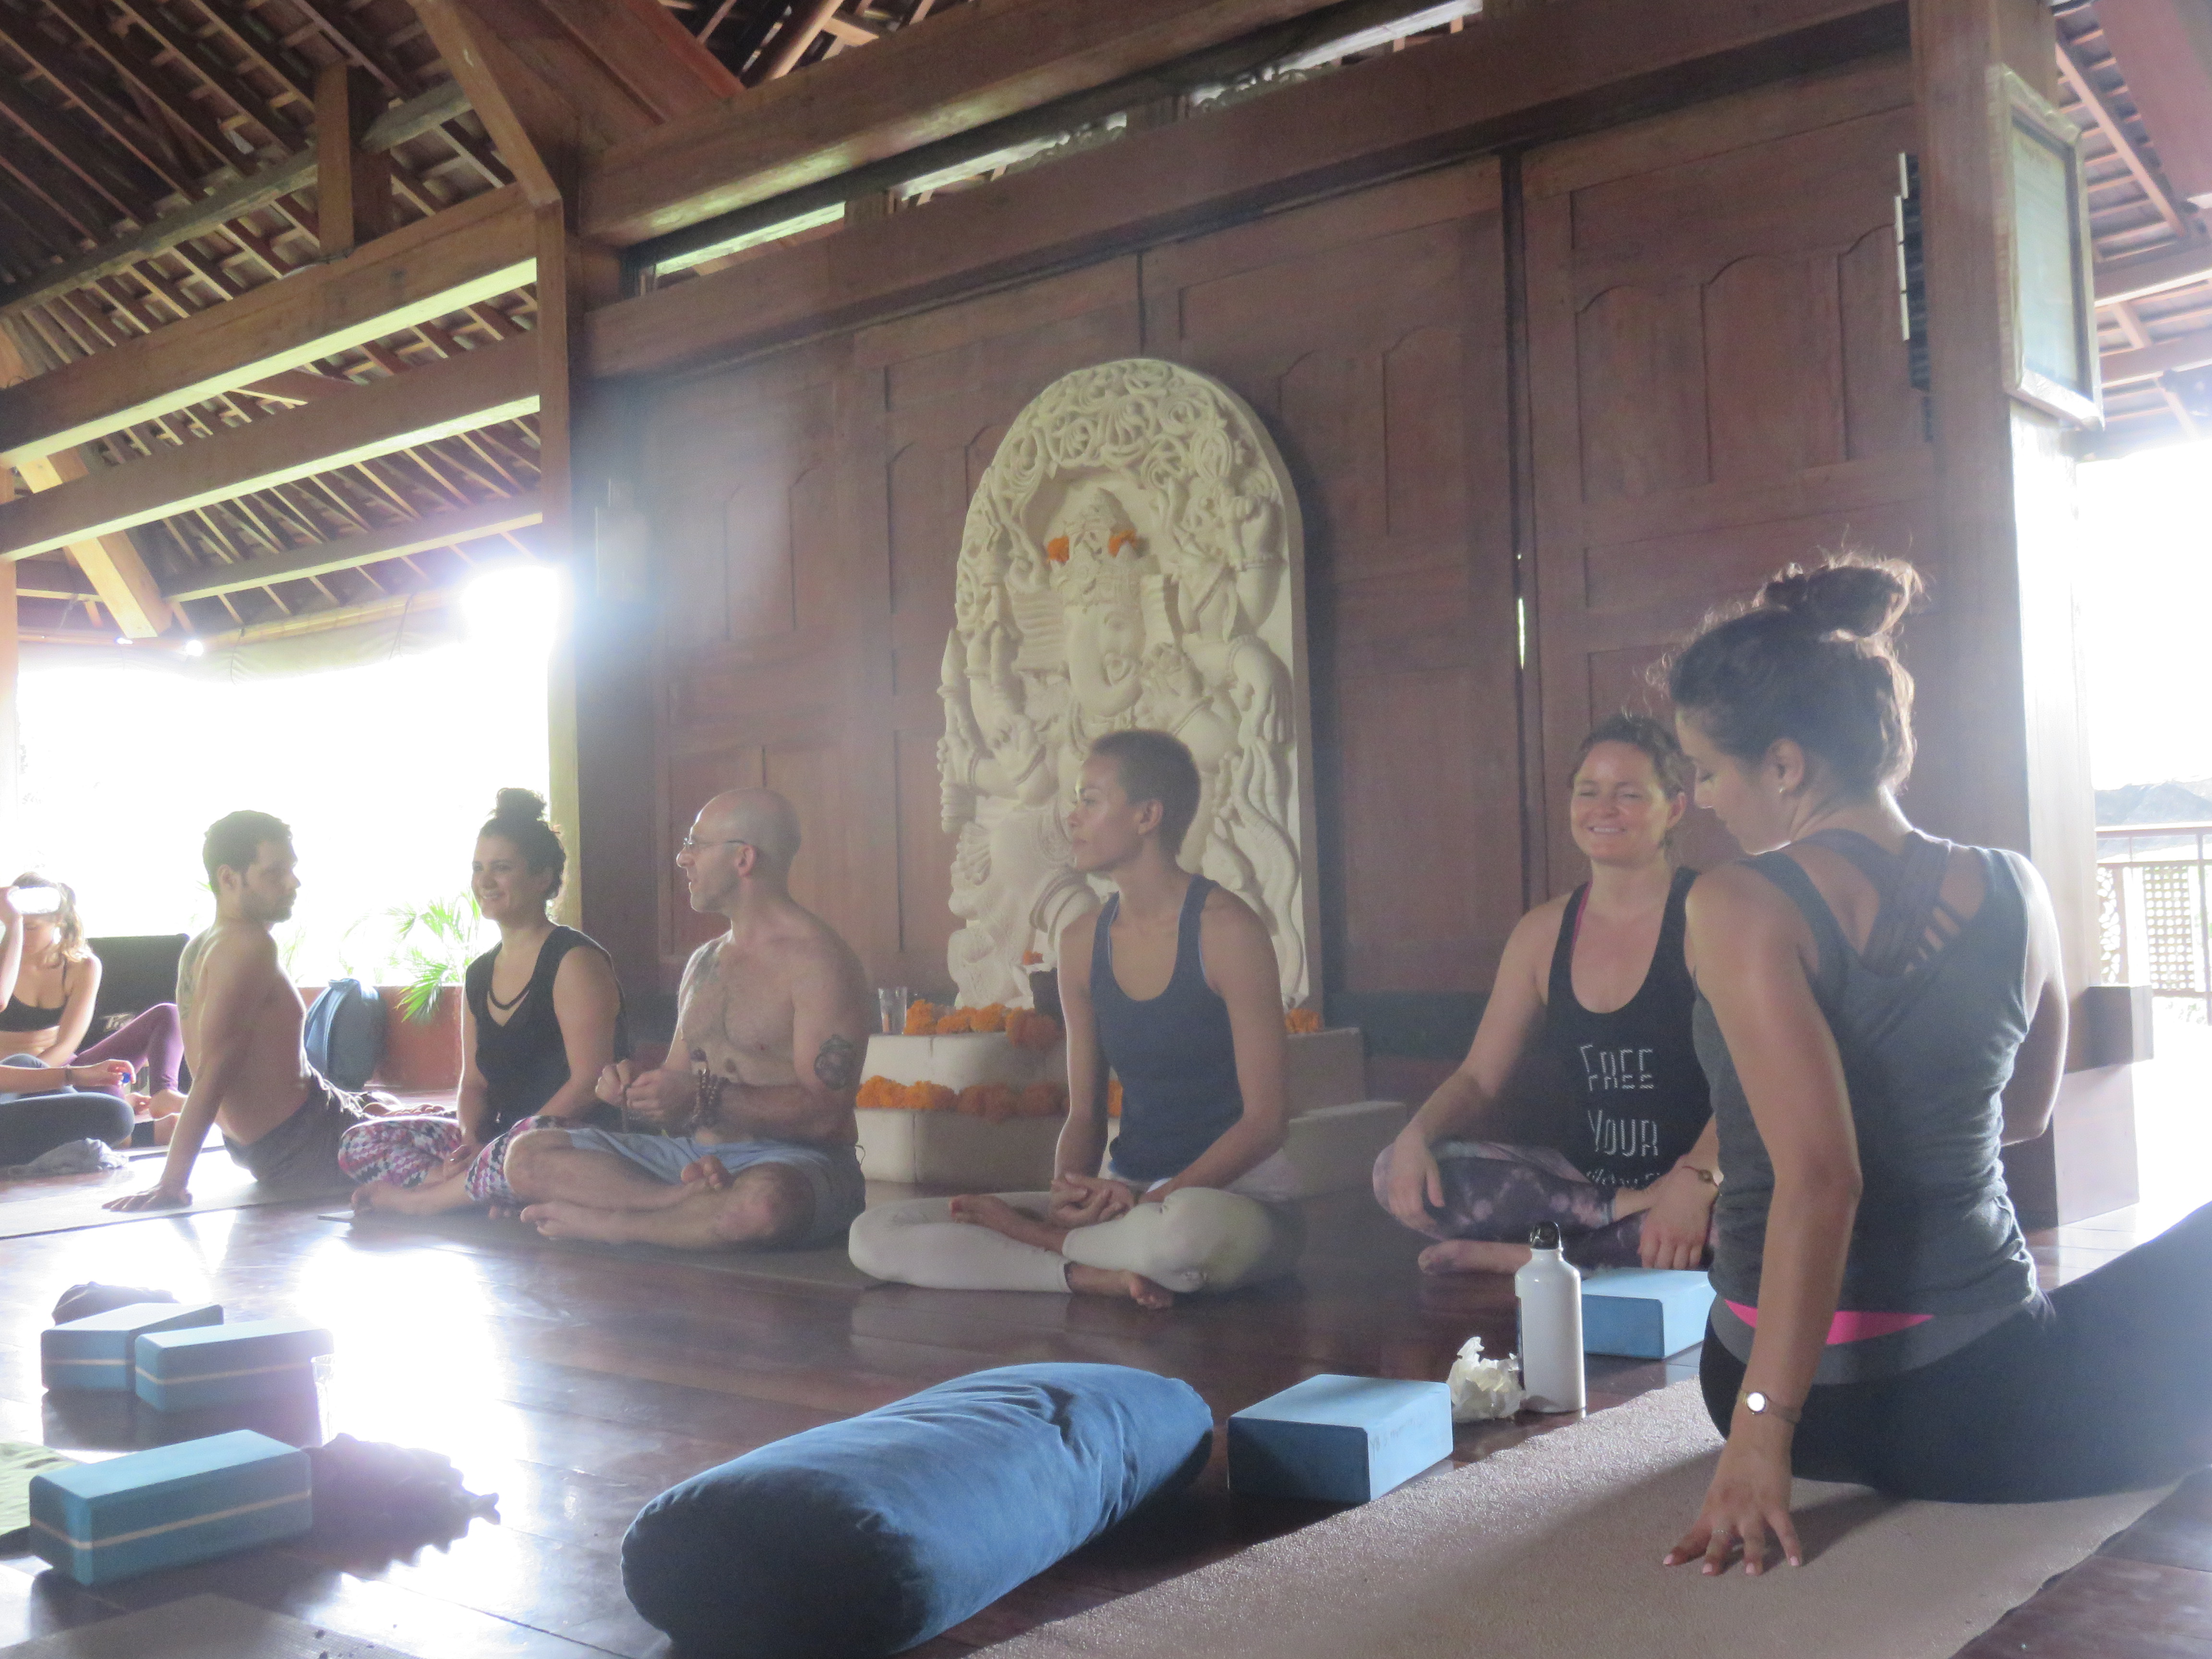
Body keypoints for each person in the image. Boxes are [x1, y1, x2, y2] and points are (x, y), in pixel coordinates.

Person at [1659, 557, 2212, 1580]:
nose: (1700, 798)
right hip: (1972, 1396)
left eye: (1707, 770)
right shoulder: (2017, 889)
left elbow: (1818, 1176)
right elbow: (2022, 1115)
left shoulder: (1734, 903)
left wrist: (1759, 1424)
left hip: (1748, 1382)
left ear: (1783, 765)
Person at [849, 729, 1302, 1310]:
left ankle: (1049, 1247)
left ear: (1147, 816)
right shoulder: (1082, 942)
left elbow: (1266, 1123)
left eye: (1090, 801)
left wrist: (1143, 1205)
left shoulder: (1227, 931)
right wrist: (1067, 1194)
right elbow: (1085, 1113)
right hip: (1121, 1198)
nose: (1072, 818)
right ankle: (1093, 1273)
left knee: (1181, 1235)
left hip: (1231, 1202)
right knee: (875, 1234)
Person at [1371, 716, 1720, 1274]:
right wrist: (1417, 1134)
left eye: (1629, 795)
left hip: (1700, 1184)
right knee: (1400, 1167)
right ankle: (1610, 1233)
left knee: (1745, 1224)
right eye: (1589, 792)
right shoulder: (1541, 933)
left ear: (1675, 809)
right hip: (1583, 1191)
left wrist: (1696, 1181)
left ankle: (1540, 1258)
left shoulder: (1713, 915)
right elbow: (1478, 1078)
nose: (1604, 809)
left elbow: (1756, 1086)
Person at [499, 788, 873, 1250]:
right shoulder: (704, 961)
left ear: (743, 859)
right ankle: (677, 1204)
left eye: (696, 844)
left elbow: (825, 1115)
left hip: (793, 1161)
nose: (683, 858)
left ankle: (616, 1225)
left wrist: (701, 1096)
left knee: (763, 1205)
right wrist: (635, 1092)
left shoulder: (819, 961)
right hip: (692, 1157)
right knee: (526, 1156)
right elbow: (677, 1085)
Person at [339, 790, 630, 1214]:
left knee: (518, 1158)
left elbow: (589, 1083)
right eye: (478, 869)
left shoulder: (573, 961)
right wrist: (471, 1140)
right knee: (359, 1142)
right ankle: (469, 1183)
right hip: (500, 1140)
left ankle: (429, 1202)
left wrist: (508, 1145)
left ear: (543, 877)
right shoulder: (479, 973)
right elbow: (473, 1083)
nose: (485, 882)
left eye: (502, 868)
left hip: (568, 1142)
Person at [104, 812, 391, 1210]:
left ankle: (376, 1111)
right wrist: (172, 1184)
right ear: (229, 877)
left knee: (388, 1105)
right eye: (275, 873)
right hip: (308, 1144)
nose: (293, 883)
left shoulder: (200, 945)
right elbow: (215, 1069)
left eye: (291, 869)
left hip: (281, 1137)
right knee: (464, 1150)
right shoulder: (250, 946)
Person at [0, 874, 187, 1128]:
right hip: (10, 1081)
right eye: (16, 926)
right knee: (112, 1112)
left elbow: (68, 1043)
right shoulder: (4, 965)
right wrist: (38, 1080)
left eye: (31, 928)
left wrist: (71, 1076)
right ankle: (131, 1124)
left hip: (66, 1072)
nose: (21, 936)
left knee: (168, 1013)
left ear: (59, 919)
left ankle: (163, 1094)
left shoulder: (82, 966)